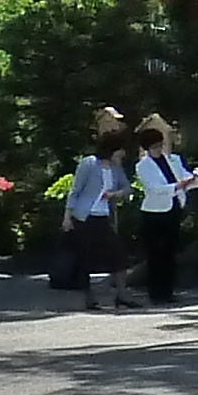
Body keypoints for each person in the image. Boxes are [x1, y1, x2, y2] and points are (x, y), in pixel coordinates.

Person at [127, 115, 198, 305]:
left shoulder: (173, 159)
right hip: (154, 213)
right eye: (154, 147)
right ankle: (156, 292)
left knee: (169, 252)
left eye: (160, 145)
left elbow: (184, 175)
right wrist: (177, 186)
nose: (159, 149)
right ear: (147, 148)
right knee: (156, 253)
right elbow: (154, 189)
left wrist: (193, 178)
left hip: (173, 208)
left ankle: (168, 290)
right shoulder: (143, 166)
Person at [60, 125, 132, 313]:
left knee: (118, 255)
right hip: (84, 216)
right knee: (84, 258)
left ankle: (122, 295)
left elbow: (127, 188)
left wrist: (114, 194)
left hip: (103, 217)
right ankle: (89, 298)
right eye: (121, 149)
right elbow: (75, 191)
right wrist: (67, 217)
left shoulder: (116, 168)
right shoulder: (89, 164)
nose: (123, 153)